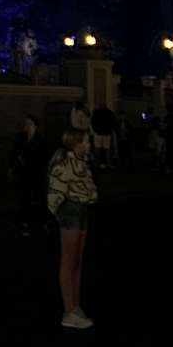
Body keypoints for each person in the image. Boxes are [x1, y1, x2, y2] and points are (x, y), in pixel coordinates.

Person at [49, 127, 99, 328]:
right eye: (85, 142)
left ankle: (74, 307)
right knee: (69, 261)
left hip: (80, 209)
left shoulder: (81, 164)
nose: (88, 145)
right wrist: (57, 209)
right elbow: (56, 190)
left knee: (76, 261)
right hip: (70, 209)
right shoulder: (66, 164)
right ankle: (69, 310)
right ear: (76, 144)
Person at [8, 114, 55, 238]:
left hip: (35, 174)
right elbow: (14, 153)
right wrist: (13, 167)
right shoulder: (21, 138)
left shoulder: (40, 141)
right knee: (24, 199)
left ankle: (45, 221)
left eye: (29, 124)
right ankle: (25, 223)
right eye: (26, 124)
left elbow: (42, 158)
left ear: (35, 126)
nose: (27, 127)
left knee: (39, 198)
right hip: (23, 174)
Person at [91, 104, 119, 168]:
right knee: (107, 149)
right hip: (106, 133)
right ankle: (108, 163)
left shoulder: (96, 112)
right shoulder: (109, 113)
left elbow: (93, 122)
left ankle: (97, 163)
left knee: (97, 149)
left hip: (98, 133)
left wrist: (96, 130)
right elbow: (113, 122)